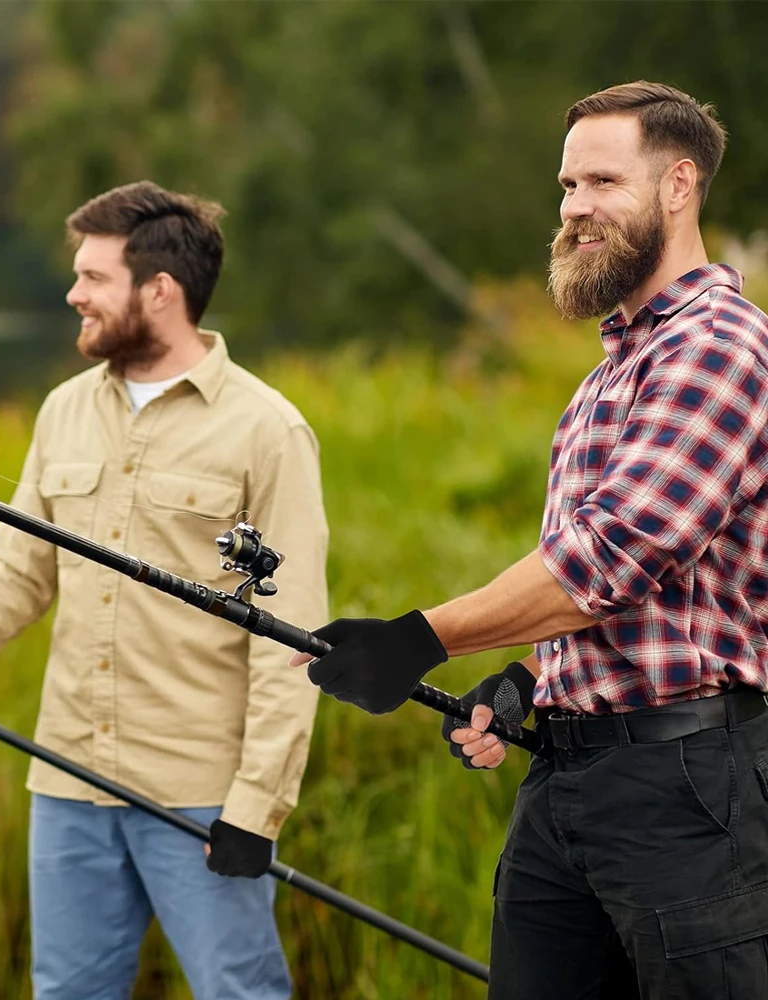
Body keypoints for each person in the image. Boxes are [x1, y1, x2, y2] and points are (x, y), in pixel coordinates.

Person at [291, 81, 768, 998]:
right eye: (565, 186)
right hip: (566, 783)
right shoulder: (611, 371)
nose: (575, 209)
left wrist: (419, 639)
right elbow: (622, 595)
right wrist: (528, 683)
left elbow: (615, 556)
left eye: (601, 182)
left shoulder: (717, 345)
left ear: (678, 186)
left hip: (690, 791)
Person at [0, 181, 329, 1000]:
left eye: (92, 277)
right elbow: (15, 573)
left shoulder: (267, 431)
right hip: (67, 784)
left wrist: (257, 808)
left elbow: (289, 635)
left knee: (240, 992)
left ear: (160, 291)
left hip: (201, 797)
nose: (73, 293)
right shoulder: (63, 413)